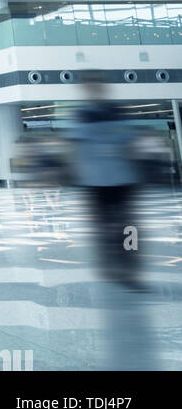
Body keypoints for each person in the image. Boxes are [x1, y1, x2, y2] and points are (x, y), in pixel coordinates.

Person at [66, 81, 146, 290]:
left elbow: (130, 143)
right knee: (103, 227)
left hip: (121, 179)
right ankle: (111, 265)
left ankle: (130, 269)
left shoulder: (116, 111)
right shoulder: (82, 114)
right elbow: (75, 147)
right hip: (95, 182)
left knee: (128, 226)